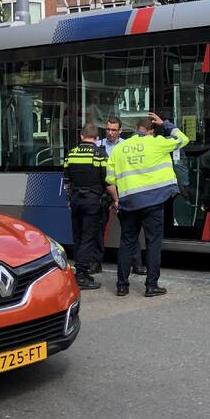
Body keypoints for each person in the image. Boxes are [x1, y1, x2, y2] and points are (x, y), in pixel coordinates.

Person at [106, 112, 190, 297]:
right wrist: (165, 123)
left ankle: (122, 286)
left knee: (127, 243)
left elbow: (110, 179)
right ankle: (151, 286)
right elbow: (183, 139)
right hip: (153, 203)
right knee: (153, 243)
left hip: (128, 203)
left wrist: (116, 200)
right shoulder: (157, 142)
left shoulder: (120, 148)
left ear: (136, 129)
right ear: (151, 131)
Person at [91, 116, 143, 276]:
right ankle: (95, 263)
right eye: (108, 129)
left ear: (120, 131)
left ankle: (137, 263)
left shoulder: (126, 146)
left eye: (114, 130)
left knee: (129, 228)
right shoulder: (98, 146)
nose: (110, 133)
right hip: (103, 192)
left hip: (122, 190)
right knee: (97, 228)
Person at [63, 123, 111, 290]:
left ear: (81, 136)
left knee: (77, 236)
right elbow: (107, 180)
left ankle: (80, 269)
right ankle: (82, 274)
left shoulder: (71, 154)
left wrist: (69, 199)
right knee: (89, 237)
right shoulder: (100, 154)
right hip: (93, 201)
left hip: (76, 200)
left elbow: (67, 180)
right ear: (97, 139)